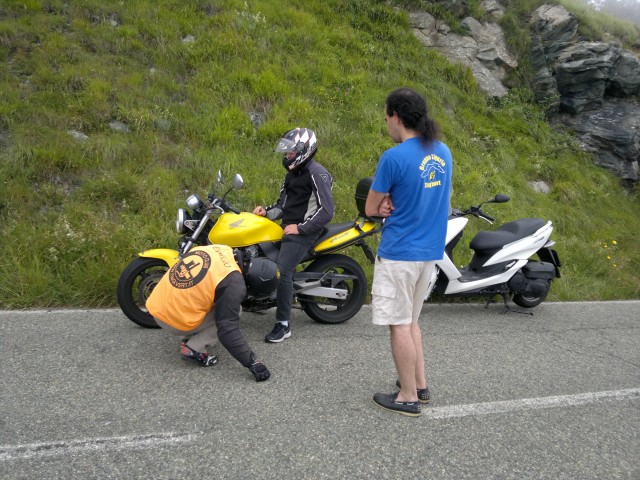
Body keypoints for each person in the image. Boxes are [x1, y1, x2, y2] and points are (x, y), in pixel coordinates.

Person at [365, 88, 452, 416]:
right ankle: (419, 385)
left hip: (400, 253)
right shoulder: (443, 151)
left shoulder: (394, 157)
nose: (387, 122)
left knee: (399, 324)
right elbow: (438, 197)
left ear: (397, 117)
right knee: (411, 321)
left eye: (387, 116)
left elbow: (371, 208)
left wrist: (385, 203)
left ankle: (407, 396)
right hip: (429, 252)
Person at [253, 128, 335, 343]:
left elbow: (327, 211)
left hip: (306, 231)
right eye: (287, 151)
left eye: (291, 151)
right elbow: (282, 206)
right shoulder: (291, 174)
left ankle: (283, 324)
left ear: (304, 150)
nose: (287, 155)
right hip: (289, 227)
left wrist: (301, 228)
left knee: (282, 271)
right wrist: (265, 213)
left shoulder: (317, 173)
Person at [145, 244, 271, 382]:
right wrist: (252, 362)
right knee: (234, 311)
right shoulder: (234, 284)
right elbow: (227, 330)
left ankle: (189, 334)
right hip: (172, 321)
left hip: (155, 303)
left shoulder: (222, 249)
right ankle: (194, 348)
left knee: (210, 295)